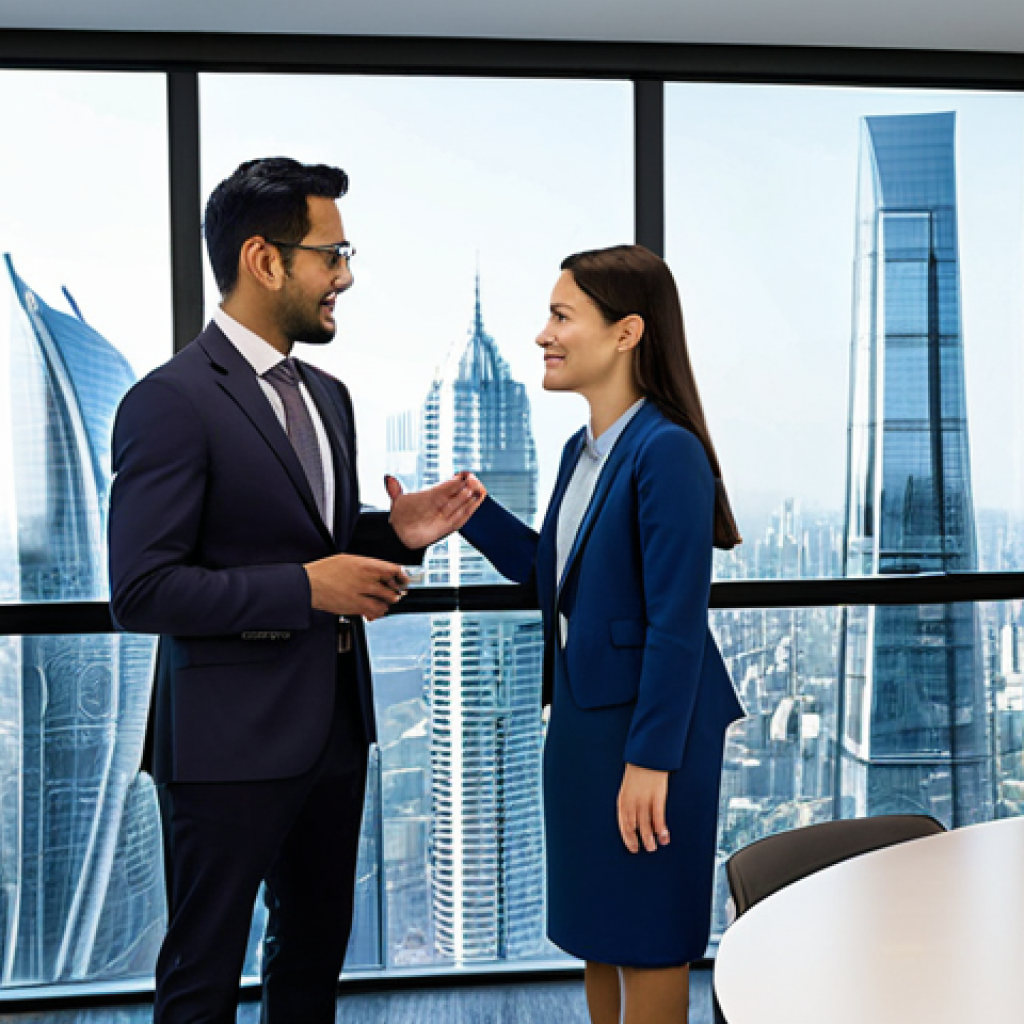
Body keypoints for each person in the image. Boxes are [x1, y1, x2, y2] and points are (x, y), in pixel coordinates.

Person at [108, 157, 483, 1024]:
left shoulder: (329, 396)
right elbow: (144, 589)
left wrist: (392, 532)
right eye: (332, 254)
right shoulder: (169, 402)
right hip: (225, 744)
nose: (345, 277)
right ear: (264, 260)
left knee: (312, 960)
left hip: (335, 733)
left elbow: (305, 538)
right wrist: (307, 590)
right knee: (201, 977)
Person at [390, 244, 745, 1023]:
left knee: (649, 938)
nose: (543, 334)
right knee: (600, 934)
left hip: (652, 735)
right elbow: (553, 576)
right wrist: (467, 512)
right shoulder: (578, 453)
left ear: (626, 333)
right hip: (585, 729)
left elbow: (677, 622)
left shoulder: (667, 451)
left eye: (561, 316)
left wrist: (651, 760)